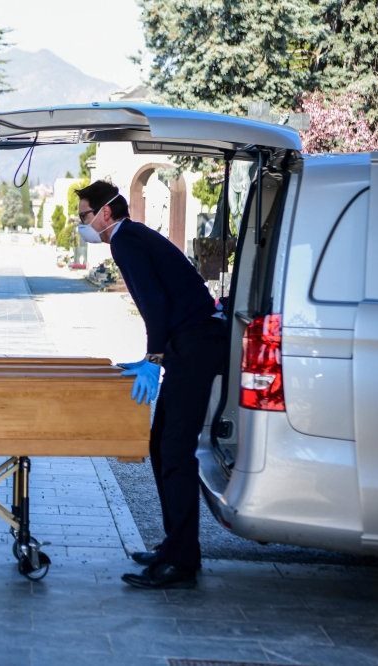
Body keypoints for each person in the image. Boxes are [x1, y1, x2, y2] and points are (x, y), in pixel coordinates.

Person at [74, 180, 228, 590]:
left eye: (85, 216)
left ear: (106, 213)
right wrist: (154, 355)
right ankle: (174, 546)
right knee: (162, 444)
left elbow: (155, 303)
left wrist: (154, 358)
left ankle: (182, 561)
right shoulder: (131, 238)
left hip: (196, 344)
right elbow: (155, 302)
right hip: (190, 343)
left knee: (175, 448)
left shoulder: (125, 240)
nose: (82, 225)